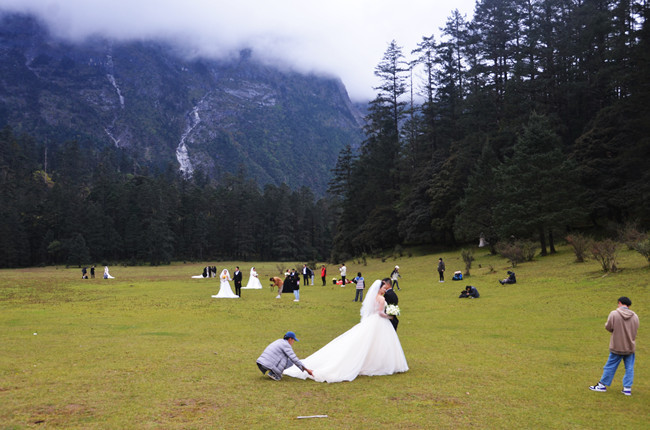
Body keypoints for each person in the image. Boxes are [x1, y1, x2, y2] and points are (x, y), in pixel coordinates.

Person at [283, 279, 408, 383]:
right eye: (384, 288)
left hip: (373, 320)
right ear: (379, 288)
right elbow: (380, 312)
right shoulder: (381, 298)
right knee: (379, 342)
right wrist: (389, 316)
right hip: (379, 321)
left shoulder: (374, 297)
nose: (385, 289)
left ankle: (375, 362)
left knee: (372, 342)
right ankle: (379, 363)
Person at [589, 297, 639, 396]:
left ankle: (602, 385)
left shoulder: (614, 314)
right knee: (629, 368)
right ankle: (627, 388)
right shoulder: (635, 316)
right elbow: (635, 329)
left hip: (617, 346)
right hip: (630, 346)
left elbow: (608, 327)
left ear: (619, 303)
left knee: (610, 366)